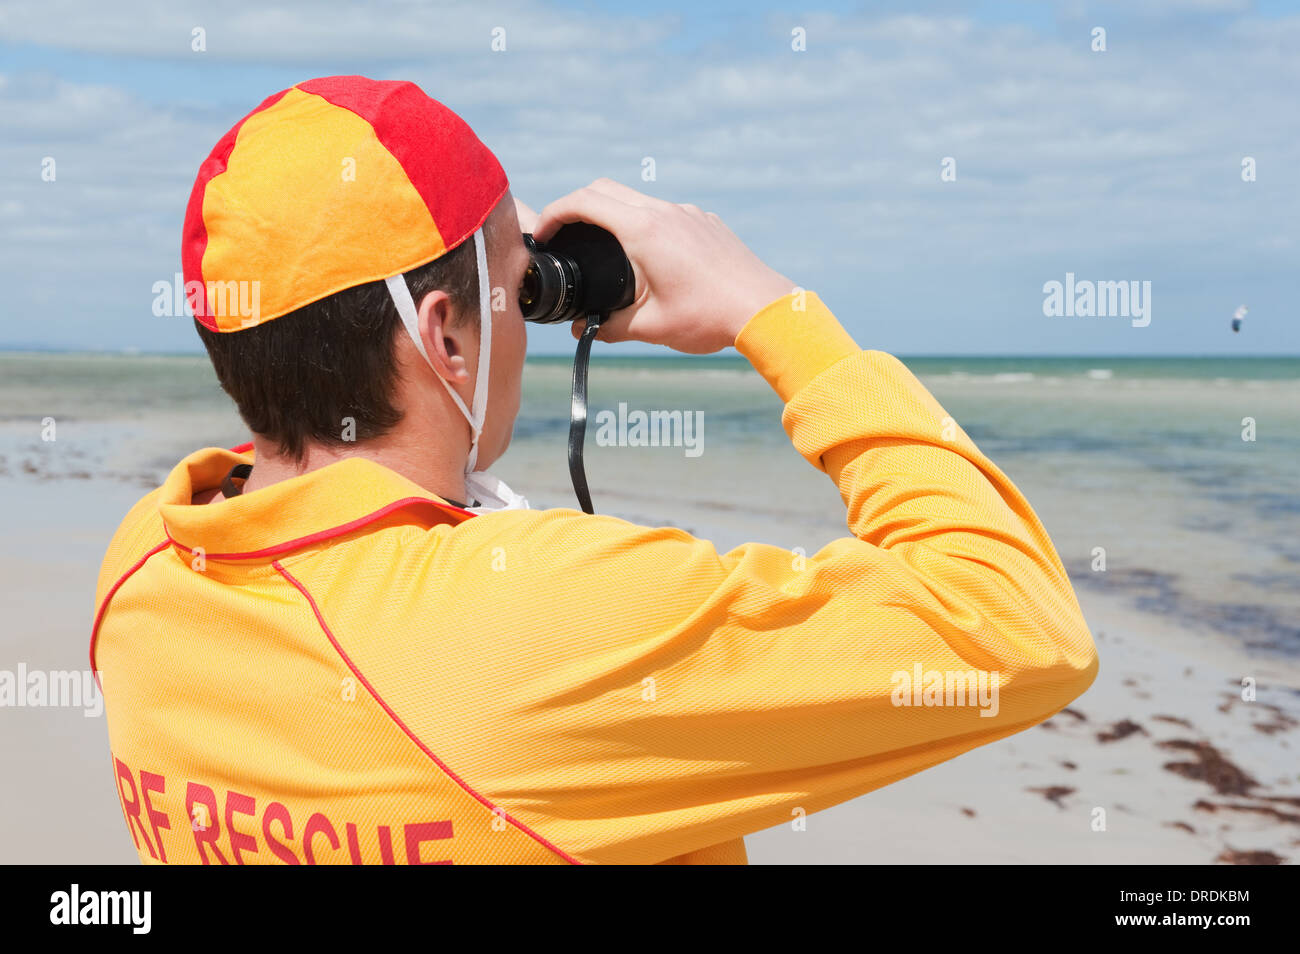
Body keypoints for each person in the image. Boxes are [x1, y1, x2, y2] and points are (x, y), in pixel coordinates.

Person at [93, 75, 1098, 865]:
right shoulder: (546, 625)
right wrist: (768, 309)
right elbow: (1012, 625)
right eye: (517, 289)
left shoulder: (146, 568)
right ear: (442, 337)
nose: (528, 319)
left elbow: (303, 481)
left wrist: (482, 253)